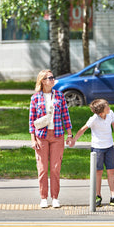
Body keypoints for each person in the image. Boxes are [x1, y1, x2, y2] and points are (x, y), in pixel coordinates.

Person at [29, 69, 73, 209]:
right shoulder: (35, 98)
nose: (53, 80)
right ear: (43, 81)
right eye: (50, 78)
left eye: (53, 77)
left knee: (55, 169)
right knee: (42, 169)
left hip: (58, 135)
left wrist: (70, 134)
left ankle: (55, 198)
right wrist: (33, 139)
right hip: (41, 136)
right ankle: (43, 198)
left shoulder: (59, 96)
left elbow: (66, 116)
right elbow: (31, 120)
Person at [69, 99, 114, 207]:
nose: (109, 107)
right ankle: (97, 195)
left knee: (110, 171)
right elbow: (83, 129)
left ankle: (113, 196)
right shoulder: (94, 119)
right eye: (106, 107)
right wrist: (74, 139)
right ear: (100, 112)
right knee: (98, 172)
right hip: (97, 149)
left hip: (109, 147)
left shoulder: (110, 114)